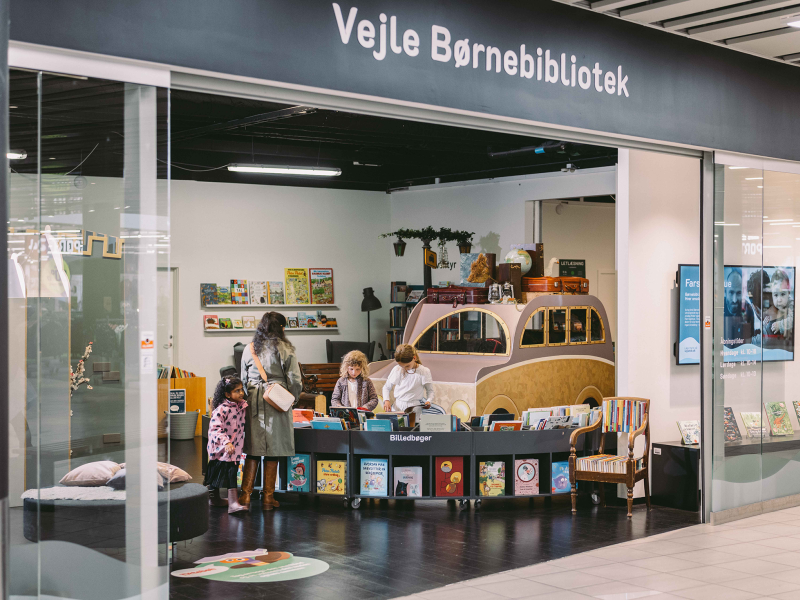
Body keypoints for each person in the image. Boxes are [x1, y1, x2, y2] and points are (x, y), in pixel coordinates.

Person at [240, 312, 302, 510]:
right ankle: (268, 498)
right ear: (281, 328)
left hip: (254, 401)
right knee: (273, 449)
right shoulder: (285, 348)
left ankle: (245, 496)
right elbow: (295, 380)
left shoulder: (249, 348)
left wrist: (250, 397)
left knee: (253, 448)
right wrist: (291, 399)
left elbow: (243, 380)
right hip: (277, 399)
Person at [204, 375, 248, 514]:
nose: (241, 393)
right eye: (237, 391)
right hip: (220, 448)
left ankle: (217, 499)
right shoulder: (221, 409)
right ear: (227, 394)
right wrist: (226, 442)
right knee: (220, 472)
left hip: (234, 449)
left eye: (241, 389)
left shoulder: (241, 407)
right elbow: (215, 428)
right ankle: (231, 503)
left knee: (231, 471)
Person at [382, 344, 434, 422]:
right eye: (401, 366)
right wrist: (386, 400)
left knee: (413, 428)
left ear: (414, 358)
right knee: (396, 428)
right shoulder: (397, 369)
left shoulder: (424, 371)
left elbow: (430, 391)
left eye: (407, 366)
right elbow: (386, 387)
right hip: (397, 407)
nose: (404, 368)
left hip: (414, 408)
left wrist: (429, 401)